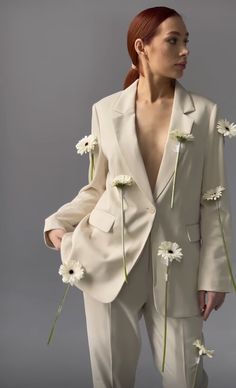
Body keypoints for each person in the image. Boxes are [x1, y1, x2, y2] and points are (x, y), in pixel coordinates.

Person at [43, 6, 235, 388]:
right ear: (141, 47)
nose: (185, 51)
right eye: (173, 41)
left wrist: (216, 274)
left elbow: (213, 199)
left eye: (186, 42)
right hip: (108, 260)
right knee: (111, 378)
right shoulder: (105, 110)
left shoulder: (205, 115)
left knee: (187, 376)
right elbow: (98, 187)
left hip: (177, 263)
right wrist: (58, 226)